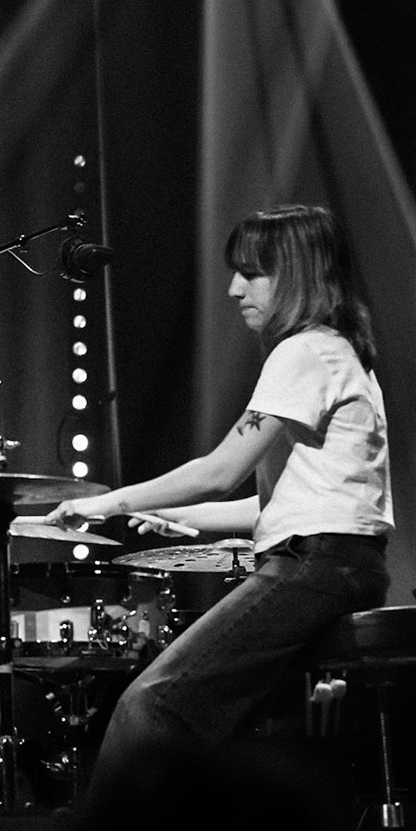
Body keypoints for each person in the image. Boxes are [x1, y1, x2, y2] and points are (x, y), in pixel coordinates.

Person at [46, 204, 392, 778]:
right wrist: (184, 516)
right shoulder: (340, 351)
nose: (234, 289)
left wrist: (104, 502)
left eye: (251, 274)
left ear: (296, 275)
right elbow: (292, 502)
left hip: (315, 568)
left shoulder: (303, 351)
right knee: (232, 734)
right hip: (342, 564)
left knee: (151, 706)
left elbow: (219, 469)